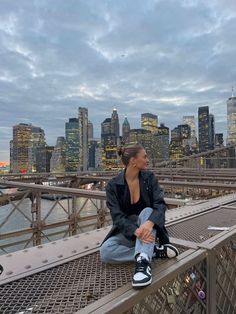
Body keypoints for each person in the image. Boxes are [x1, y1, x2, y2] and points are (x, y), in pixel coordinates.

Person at [100, 144, 179, 288]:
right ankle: (153, 251)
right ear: (133, 161)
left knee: (147, 211)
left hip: (149, 230)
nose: (148, 160)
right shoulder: (112, 186)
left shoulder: (149, 178)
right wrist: (136, 231)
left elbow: (160, 205)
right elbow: (117, 216)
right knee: (105, 252)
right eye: (145, 156)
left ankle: (143, 265)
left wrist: (148, 224)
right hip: (130, 233)